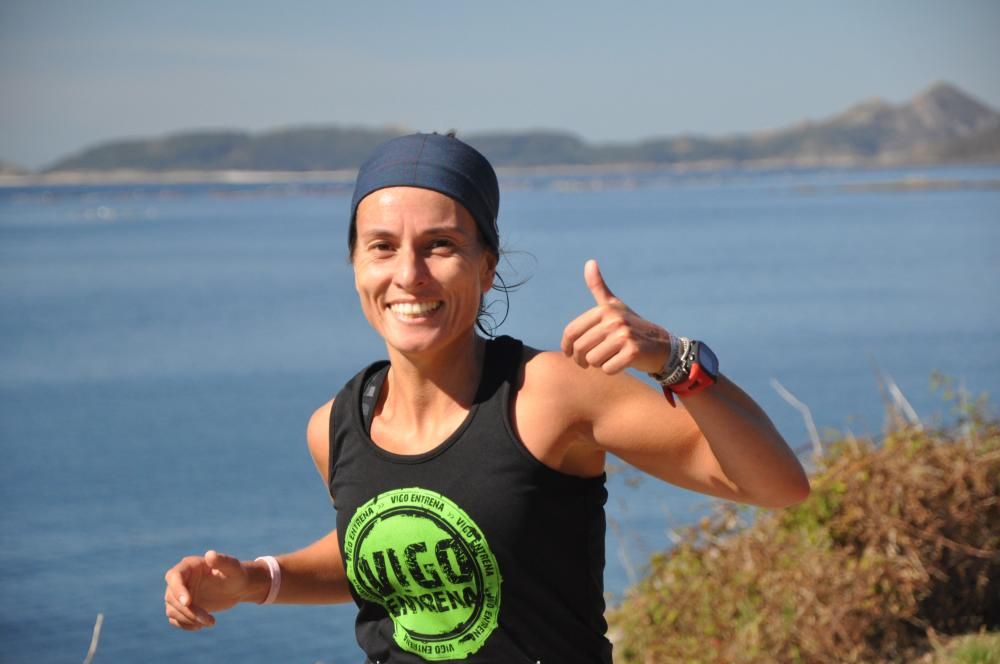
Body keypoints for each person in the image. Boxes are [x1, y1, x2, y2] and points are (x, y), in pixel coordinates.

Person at [163, 133, 810, 662]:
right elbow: (383, 555)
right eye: (383, 247)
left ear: (486, 264)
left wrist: (674, 362)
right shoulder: (335, 425)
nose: (408, 275)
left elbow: (777, 486)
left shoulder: (547, 395)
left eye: (439, 245)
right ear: (356, 265)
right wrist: (255, 581)